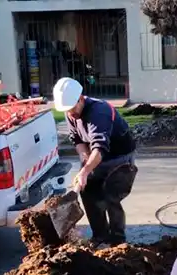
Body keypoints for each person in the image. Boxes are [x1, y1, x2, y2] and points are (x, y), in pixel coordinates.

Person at [53, 77, 138, 247]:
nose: (70, 113)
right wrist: (85, 163)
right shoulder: (70, 111)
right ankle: (100, 236)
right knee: (88, 192)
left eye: (72, 108)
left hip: (119, 157)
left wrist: (85, 171)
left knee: (111, 195)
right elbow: (77, 139)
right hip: (96, 156)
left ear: (81, 99)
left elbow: (100, 147)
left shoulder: (99, 112)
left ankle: (117, 240)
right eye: (67, 110)